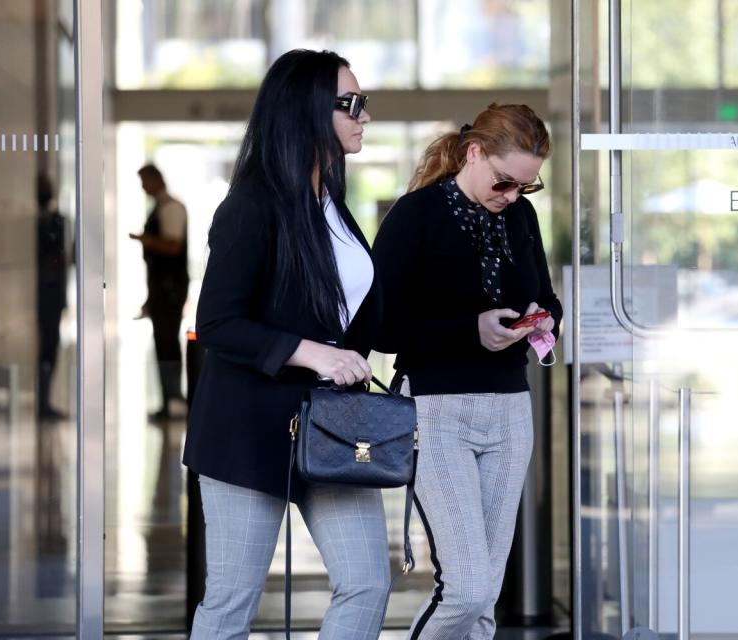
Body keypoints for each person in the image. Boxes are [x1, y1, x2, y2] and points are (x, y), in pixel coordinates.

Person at [182, 49, 391, 638]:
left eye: (363, 103)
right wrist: (312, 351)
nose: (363, 115)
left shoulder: (333, 207)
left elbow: (358, 315)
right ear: (305, 111)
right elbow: (218, 322)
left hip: (331, 429)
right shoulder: (251, 206)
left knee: (368, 584)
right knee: (230, 604)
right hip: (246, 434)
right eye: (350, 104)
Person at [372, 103, 562, 640]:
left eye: (525, 188)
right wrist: (468, 329)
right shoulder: (415, 216)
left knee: (486, 598)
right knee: (467, 587)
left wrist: (542, 320)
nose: (511, 198)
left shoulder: (521, 218)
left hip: (509, 410)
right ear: (474, 152)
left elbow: (546, 297)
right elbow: (380, 331)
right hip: (436, 408)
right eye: (504, 183)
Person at [129, 164, 189, 420]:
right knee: (162, 344)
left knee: (167, 344)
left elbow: (173, 246)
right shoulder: (162, 207)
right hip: (161, 289)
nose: (143, 188)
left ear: (155, 180)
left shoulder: (172, 208)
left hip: (170, 289)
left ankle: (174, 399)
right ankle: (169, 399)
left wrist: (146, 240)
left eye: (144, 182)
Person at [36, 173, 69, 421]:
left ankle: (45, 402)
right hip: (44, 297)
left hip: (52, 297)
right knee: (47, 348)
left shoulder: (57, 222)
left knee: (50, 348)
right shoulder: (42, 224)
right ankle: (43, 403)